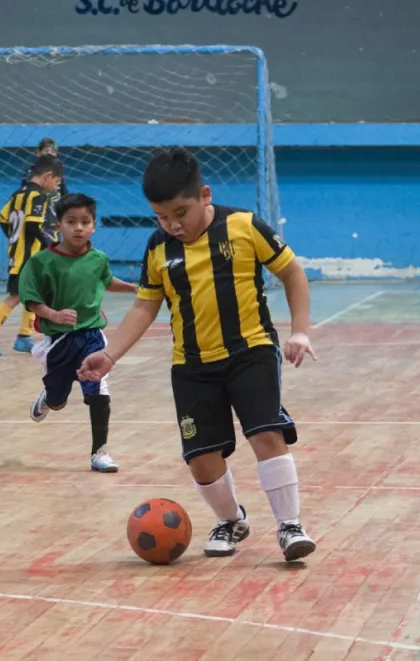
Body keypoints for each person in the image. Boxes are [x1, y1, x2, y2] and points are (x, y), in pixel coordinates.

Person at [78, 148, 318, 562]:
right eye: (161, 217)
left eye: (180, 212)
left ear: (204, 195)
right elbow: (144, 305)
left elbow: (292, 272)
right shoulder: (158, 248)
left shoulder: (243, 226)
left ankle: (289, 525)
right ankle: (231, 520)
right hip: (190, 365)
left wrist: (300, 330)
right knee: (202, 458)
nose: (172, 225)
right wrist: (110, 355)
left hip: (251, 351)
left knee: (265, 433)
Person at [19, 193, 138, 473]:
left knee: (98, 390)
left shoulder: (98, 259)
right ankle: (49, 398)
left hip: (92, 336)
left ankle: (100, 452)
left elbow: (107, 281)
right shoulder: (42, 262)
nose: (78, 228)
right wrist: (53, 315)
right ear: (59, 225)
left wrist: (134, 288)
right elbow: (30, 298)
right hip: (59, 340)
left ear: (94, 226)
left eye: (85, 222)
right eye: (71, 221)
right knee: (59, 399)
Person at [0, 155, 64, 356]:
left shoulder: (18, 194)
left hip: (17, 254)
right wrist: (49, 246)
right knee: (16, 296)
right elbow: (32, 225)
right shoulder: (38, 196)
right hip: (29, 258)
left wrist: (15, 239)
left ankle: (24, 336)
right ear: (48, 176)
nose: (56, 187)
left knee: (34, 294)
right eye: (57, 182)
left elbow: (2, 219)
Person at [22, 138, 67, 244]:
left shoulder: (59, 173)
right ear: (38, 153)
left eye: (53, 152)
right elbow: (24, 193)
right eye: (47, 151)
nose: (50, 154)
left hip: (53, 215)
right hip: (36, 214)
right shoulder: (31, 172)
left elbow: (64, 193)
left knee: (54, 244)